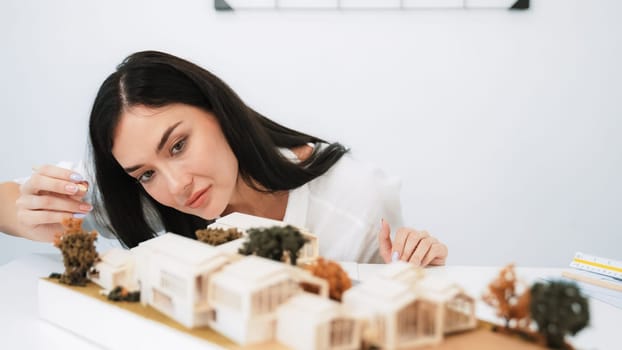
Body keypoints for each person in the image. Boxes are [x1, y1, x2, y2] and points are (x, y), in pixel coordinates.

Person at [0, 51, 447, 265]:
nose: (175, 186)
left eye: (178, 145)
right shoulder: (142, 200)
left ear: (218, 111)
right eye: (145, 173)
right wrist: (29, 217)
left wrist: (418, 271)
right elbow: (7, 201)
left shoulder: (354, 200)